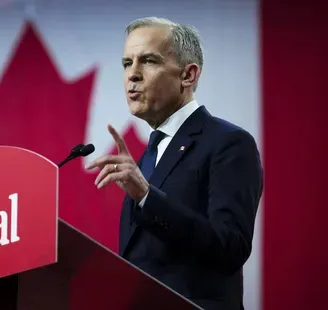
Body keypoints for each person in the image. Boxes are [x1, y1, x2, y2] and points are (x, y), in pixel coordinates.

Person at [86, 17, 263, 310]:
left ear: (188, 76)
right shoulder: (148, 157)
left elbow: (231, 247)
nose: (133, 75)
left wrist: (147, 197)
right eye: (126, 63)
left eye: (148, 61)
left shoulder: (229, 143)